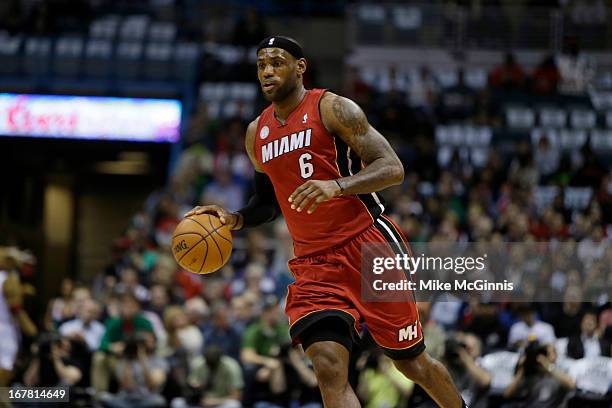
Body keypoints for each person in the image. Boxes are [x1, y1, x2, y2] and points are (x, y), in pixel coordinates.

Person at [187, 35, 466, 408]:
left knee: (412, 363)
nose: (267, 71)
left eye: (277, 62)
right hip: (314, 263)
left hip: (368, 244)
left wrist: (338, 185)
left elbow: (392, 168)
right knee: (328, 367)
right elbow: (267, 203)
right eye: (261, 65)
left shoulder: (334, 108)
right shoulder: (257, 133)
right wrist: (234, 219)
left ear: (300, 67)